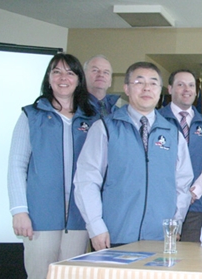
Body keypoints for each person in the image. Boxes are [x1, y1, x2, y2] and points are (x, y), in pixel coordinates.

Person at [8, 53, 97, 279]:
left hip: (78, 221)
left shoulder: (91, 118)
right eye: (56, 72)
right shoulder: (31, 115)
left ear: (78, 80)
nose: (63, 78)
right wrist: (19, 210)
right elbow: (16, 165)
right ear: (48, 78)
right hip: (39, 220)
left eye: (70, 73)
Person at [74, 61, 193, 249]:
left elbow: (183, 184)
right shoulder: (105, 128)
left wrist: (175, 224)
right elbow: (86, 180)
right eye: (139, 82)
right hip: (114, 235)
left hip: (159, 238)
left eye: (153, 83)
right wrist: (95, 226)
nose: (147, 88)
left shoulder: (173, 134)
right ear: (127, 89)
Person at [158, 69, 202, 242]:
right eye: (181, 84)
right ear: (170, 89)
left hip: (195, 206)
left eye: (191, 85)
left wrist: (194, 192)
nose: (187, 89)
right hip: (161, 204)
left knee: (189, 259)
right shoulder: (156, 119)